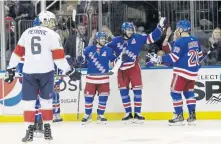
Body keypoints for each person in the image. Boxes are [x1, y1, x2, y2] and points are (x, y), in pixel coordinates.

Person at [4, 11, 81, 142]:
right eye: (51, 21)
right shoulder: (53, 34)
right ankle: (47, 130)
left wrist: (10, 69)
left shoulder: (27, 32)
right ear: (44, 21)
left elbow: (17, 54)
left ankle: (29, 132)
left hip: (29, 72)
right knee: (47, 103)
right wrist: (70, 71)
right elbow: (59, 59)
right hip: (47, 73)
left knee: (28, 104)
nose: (53, 24)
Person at [107, 17, 168, 123]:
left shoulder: (138, 38)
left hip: (134, 67)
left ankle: (138, 113)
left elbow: (151, 38)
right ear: (123, 30)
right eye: (128, 30)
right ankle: (128, 113)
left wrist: (159, 27)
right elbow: (106, 51)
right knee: (123, 91)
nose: (130, 32)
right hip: (121, 69)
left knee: (137, 90)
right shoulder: (116, 41)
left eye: (131, 30)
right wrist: (115, 60)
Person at [149, 20, 204, 126]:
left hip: (181, 72)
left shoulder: (180, 41)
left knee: (175, 92)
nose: (177, 30)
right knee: (189, 93)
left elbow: (174, 57)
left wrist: (158, 59)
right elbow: (200, 55)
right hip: (192, 73)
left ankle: (179, 116)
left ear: (182, 29)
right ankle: (192, 116)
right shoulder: (195, 40)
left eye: (178, 28)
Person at [81, 32, 115, 124]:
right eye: (102, 38)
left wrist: (117, 64)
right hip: (91, 79)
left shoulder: (109, 50)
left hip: (104, 78)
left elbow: (114, 60)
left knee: (103, 98)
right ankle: (88, 114)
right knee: (88, 98)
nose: (104, 40)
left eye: (104, 39)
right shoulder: (88, 49)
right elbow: (82, 60)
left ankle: (100, 115)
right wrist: (80, 58)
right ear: (97, 39)